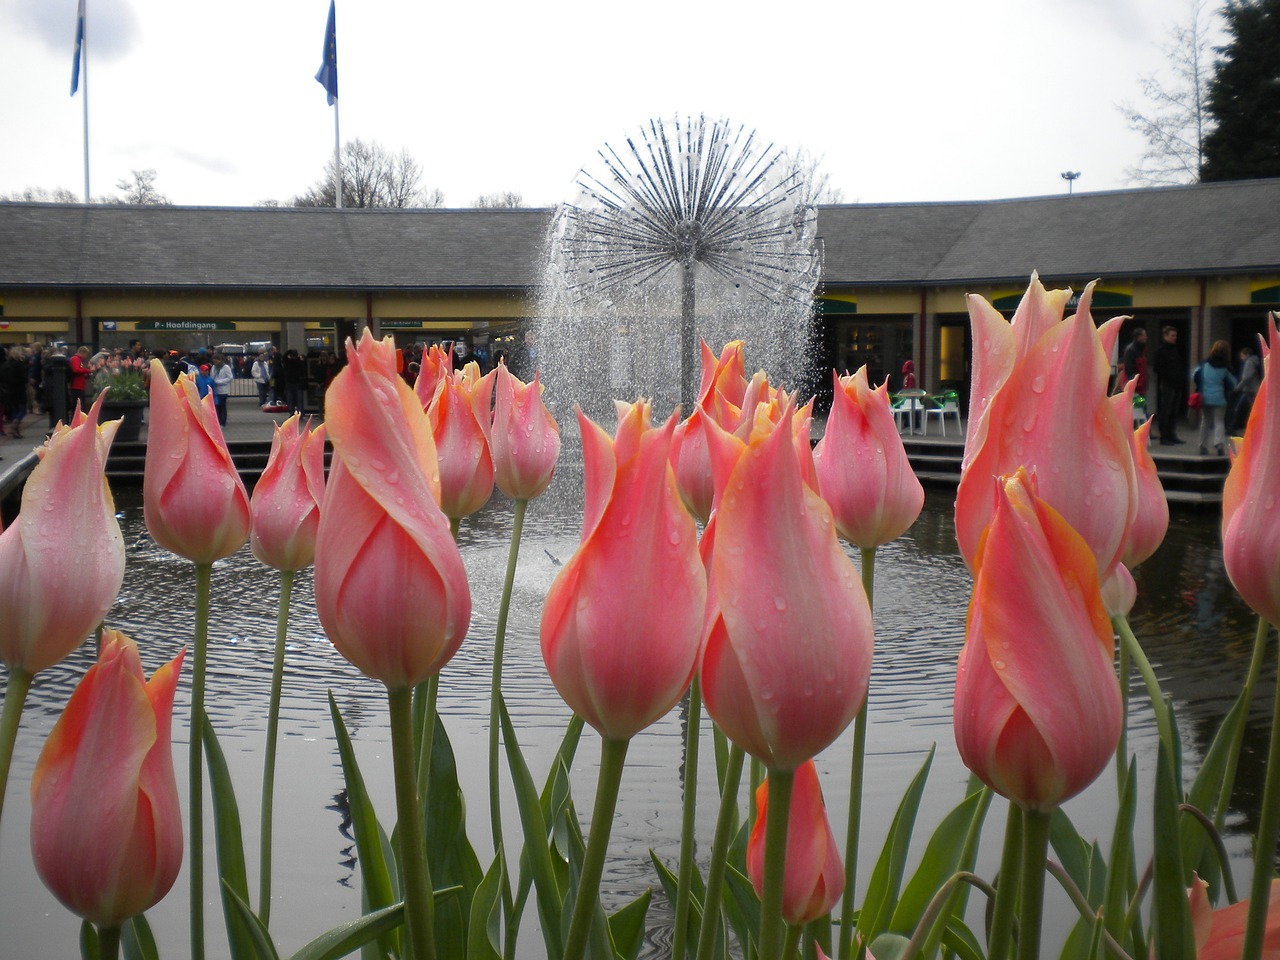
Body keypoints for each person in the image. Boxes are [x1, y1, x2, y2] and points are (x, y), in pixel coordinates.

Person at [1196, 340, 1237, 456]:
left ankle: (1203, 446)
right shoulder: (1226, 367)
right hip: (1220, 397)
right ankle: (1219, 445)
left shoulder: (1204, 364)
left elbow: (1195, 376)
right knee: (1219, 421)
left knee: (1205, 421)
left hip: (1204, 397)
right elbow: (1233, 382)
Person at [1151, 326, 1186, 445]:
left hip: (1177, 385)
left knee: (1174, 412)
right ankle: (1164, 436)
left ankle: (1172, 434)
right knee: (1166, 411)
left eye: (1175, 336)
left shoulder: (1175, 349)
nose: (1174, 338)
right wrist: (1168, 376)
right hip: (1167, 385)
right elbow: (1157, 368)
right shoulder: (1161, 351)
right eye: (1172, 336)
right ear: (1165, 336)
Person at [1231, 344, 1262, 432]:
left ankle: (1234, 427)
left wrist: (1237, 388)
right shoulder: (1255, 362)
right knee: (1245, 408)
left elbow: (1246, 377)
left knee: (1242, 408)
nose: (1241, 357)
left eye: (1242, 355)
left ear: (1247, 354)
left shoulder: (1249, 362)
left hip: (1250, 390)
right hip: (1252, 389)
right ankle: (1234, 427)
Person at [1122, 327, 1148, 394]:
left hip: (1141, 386)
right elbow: (1129, 369)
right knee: (1137, 403)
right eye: (1144, 335)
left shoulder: (1142, 349)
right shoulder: (1131, 350)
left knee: (1141, 403)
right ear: (1139, 337)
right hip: (1135, 387)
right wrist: (1135, 382)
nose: (1146, 337)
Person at [211, 353, 234, 426]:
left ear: (220, 360)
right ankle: (217, 421)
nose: (215, 363)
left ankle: (223, 422)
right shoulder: (213, 367)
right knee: (216, 407)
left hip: (223, 390)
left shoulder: (226, 367)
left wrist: (220, 381)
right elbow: (211, 376)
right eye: (214, 362)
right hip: (215, 390)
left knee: (222, 406)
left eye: (216, 361)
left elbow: (230, 378)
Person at [68, 345, 93, 414]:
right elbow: (76, 370)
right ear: (83, 353)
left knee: (80, 403)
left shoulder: (79, 360)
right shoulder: (75, 359)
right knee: (77, 404)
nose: (86, 357)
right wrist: (87, 371)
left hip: (80, 385)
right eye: (86, 355)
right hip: (76, 385)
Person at [281, 349, 307, 414]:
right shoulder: (300, 362)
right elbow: (303, 371)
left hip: (290, 383)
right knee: (299, 400)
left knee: (290, 400)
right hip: (297, 383)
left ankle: (292, 413)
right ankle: (300, 413)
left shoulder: (288, 362)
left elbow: (284, 357)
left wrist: (289, 351)